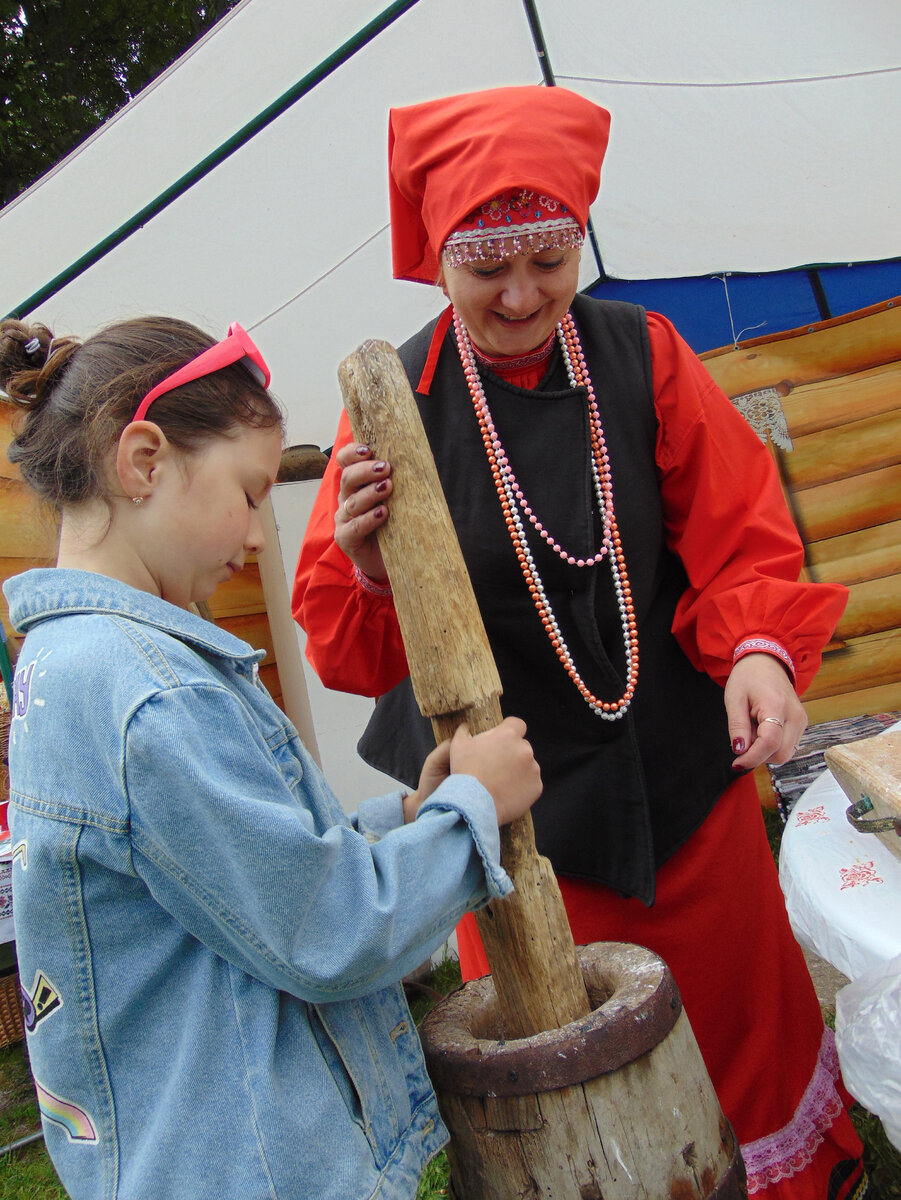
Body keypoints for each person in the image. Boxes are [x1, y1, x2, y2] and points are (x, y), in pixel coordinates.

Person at [293, 86, 871, 1198]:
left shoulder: (641, 352)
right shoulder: (391, 400)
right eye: (486, 267)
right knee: (569, 1090)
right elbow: (349, 655)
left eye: (548, 259)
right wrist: (370, 570)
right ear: (438, 259)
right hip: (516, 841)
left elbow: (739, 531)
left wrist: (756, 648)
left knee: (740, 1036)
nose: (520, 295)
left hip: (687, 792)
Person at [0, 314, 542, 1200]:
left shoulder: (71, 667)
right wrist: (468, 816)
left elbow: (230, 870)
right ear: (142, 461)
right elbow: (323, 928)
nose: (258, 537)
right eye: (250, 493)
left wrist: (407, 815)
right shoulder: (147, 693)